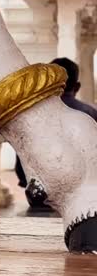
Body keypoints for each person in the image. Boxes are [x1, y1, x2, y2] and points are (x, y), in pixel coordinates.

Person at [16, 57, 97, 195]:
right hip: (84, 192)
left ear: (46, 83)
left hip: (41, 192)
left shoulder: (32, 114)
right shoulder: (90, 113)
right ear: (77, 86)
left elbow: (22, 157)